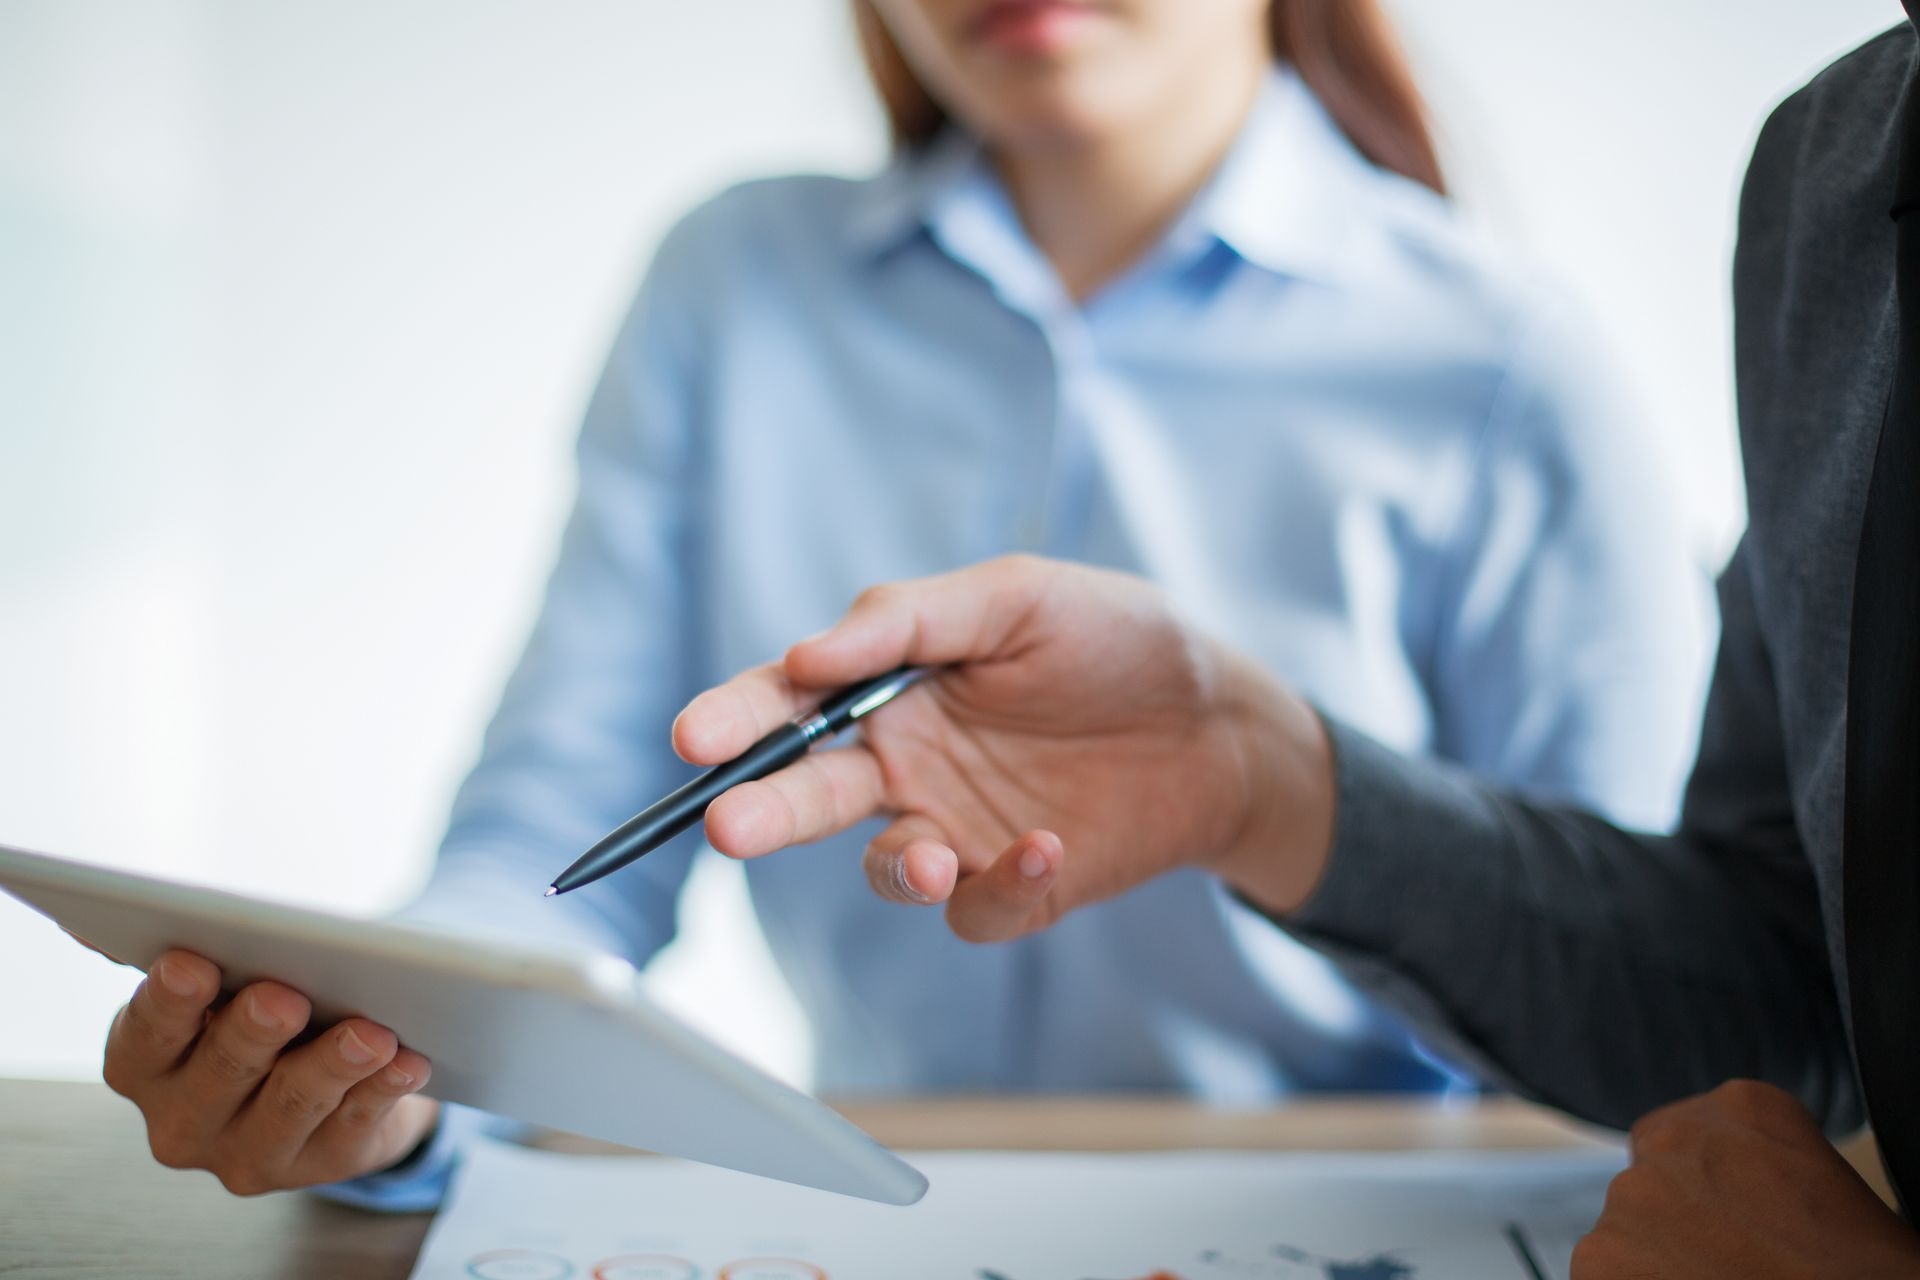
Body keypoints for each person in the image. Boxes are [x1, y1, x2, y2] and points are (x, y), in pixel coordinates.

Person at [93, 0, 1713, 1208]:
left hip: (1360, 1215)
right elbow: (562, 837)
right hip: (875, 1204)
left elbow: (1626, 977)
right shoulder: (737, 285)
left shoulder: (1500, 358)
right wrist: (401, 1067)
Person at [653, 13, 1920, 1276]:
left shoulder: (1502, 351)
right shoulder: (1833, 173)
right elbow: (1760, 970)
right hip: (892, 1212)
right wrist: (1255, 766)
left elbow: (1705, 1085)